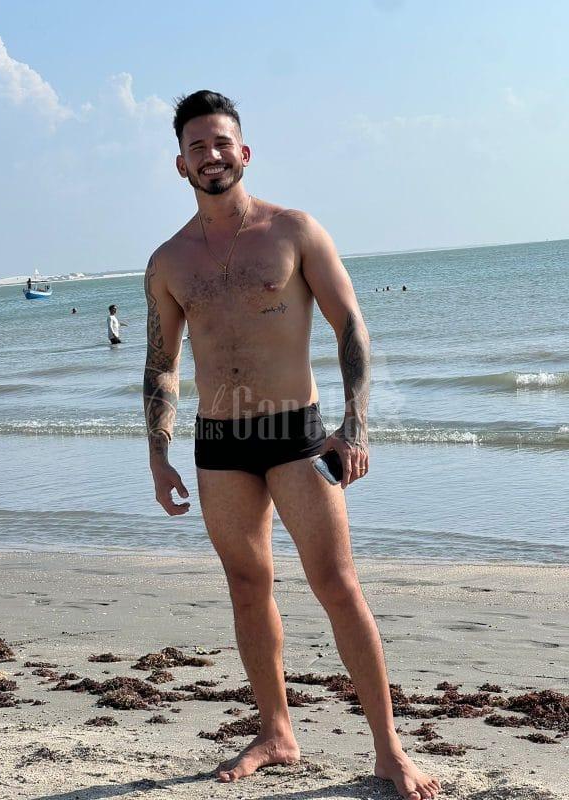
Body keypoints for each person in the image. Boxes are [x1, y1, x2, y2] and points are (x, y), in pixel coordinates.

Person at [143, 90, 440, 800]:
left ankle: (389, 749)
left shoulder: (294, 231)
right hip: (220, 443)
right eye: (196, 147)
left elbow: (351, 326)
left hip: (296, 435)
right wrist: (158, 454)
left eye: (221, 142)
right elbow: (161, 364)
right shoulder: (168, 261)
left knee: (337, 585)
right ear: (180, 165)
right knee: (248, 588)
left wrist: (355, 424)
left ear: (244, 152)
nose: (211, 156)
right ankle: (276, 733)